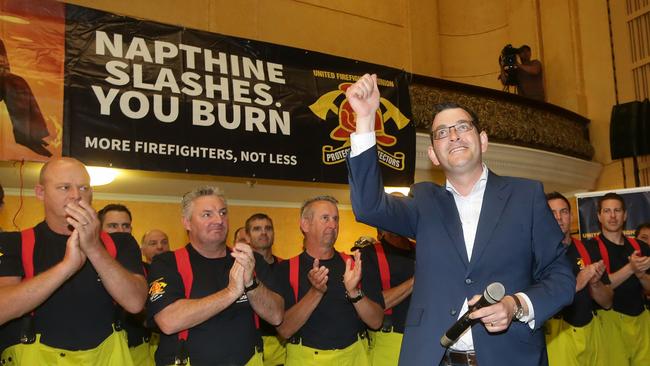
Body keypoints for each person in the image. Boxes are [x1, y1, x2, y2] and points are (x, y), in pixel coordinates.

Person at [344, 74, 575, 366]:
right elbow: (368, 207)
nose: (453, 136)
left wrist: (516, 305)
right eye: (441, 133)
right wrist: (365, 120)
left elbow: (561, 277)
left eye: (462, 127)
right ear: (433, 155)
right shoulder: (424, 201)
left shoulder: (526, 196)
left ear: (483, 140)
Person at [0, 157, 147, 365]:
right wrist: (66, 267)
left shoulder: (120, 242)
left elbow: (135, 303)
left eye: (84, 188)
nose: (76, 196)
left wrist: (95, 248)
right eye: (64, 187)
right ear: (41, 193)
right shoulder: (13, 242)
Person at [147, 186, 284, 365]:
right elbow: (168, 320)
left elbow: (276, 316)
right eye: (207, 214)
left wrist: (251, 284)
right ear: (187, 223)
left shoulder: (250, 260)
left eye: (223, 212)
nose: (219, 220)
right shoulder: (167, 263)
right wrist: (230, 292)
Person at [274, 195, 384, 366]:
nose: (333, 225)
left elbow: (376, 321)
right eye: (325, 218)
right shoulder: (285, 269)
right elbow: (285, 330)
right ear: (305, 224)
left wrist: (354, 292)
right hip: (306, 359)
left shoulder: (354, 265)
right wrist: (315, 292)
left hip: (355, 357)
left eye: (336, 219)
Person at [544, 192, 613, 366]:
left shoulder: (589, 249)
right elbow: (538, 302)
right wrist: (578, 282)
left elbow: (607, 302)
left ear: (571, 216)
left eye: (564, 212)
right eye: (552, 213)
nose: (559, 218)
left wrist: (595, 284)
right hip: (557, 337)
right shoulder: (536, 255)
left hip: (592, 332)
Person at [585, 192, 650, 365]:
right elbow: (598, 288)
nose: (612, 216)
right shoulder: (590, 249)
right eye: (607, 211)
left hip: (641, 320)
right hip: (608, 322)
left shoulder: (641, 246)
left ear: (625, 215)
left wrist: (641, 274)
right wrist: (631, 268)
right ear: (599, 216)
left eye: (617, 210)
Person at [356, 208, 415, 366]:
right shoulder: (369, 255)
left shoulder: (423, 250)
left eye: (402, 212)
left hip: (425, 339)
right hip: (388, 343)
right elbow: (374, 305)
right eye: (392, 212)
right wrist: (416, 280)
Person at [245, 213, 285, 366]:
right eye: (257, 229)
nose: (263, 232)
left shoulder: (285, 267)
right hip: (250, 343)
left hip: (281, 342)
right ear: (247, 237)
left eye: (268, 228)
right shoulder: (239, 268)